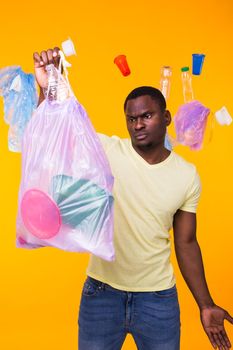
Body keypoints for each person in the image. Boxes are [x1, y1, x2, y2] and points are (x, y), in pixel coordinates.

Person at [33, 48, 233, 350]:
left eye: (147, 116)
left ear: (165, 117)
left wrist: (205, 304)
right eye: (131, 118)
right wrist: (48, 83)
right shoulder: (107, 150)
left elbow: (187, 242)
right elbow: (56, 131)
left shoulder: (187, 175)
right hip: (101, 294)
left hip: (158, 299)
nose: (138, 124)